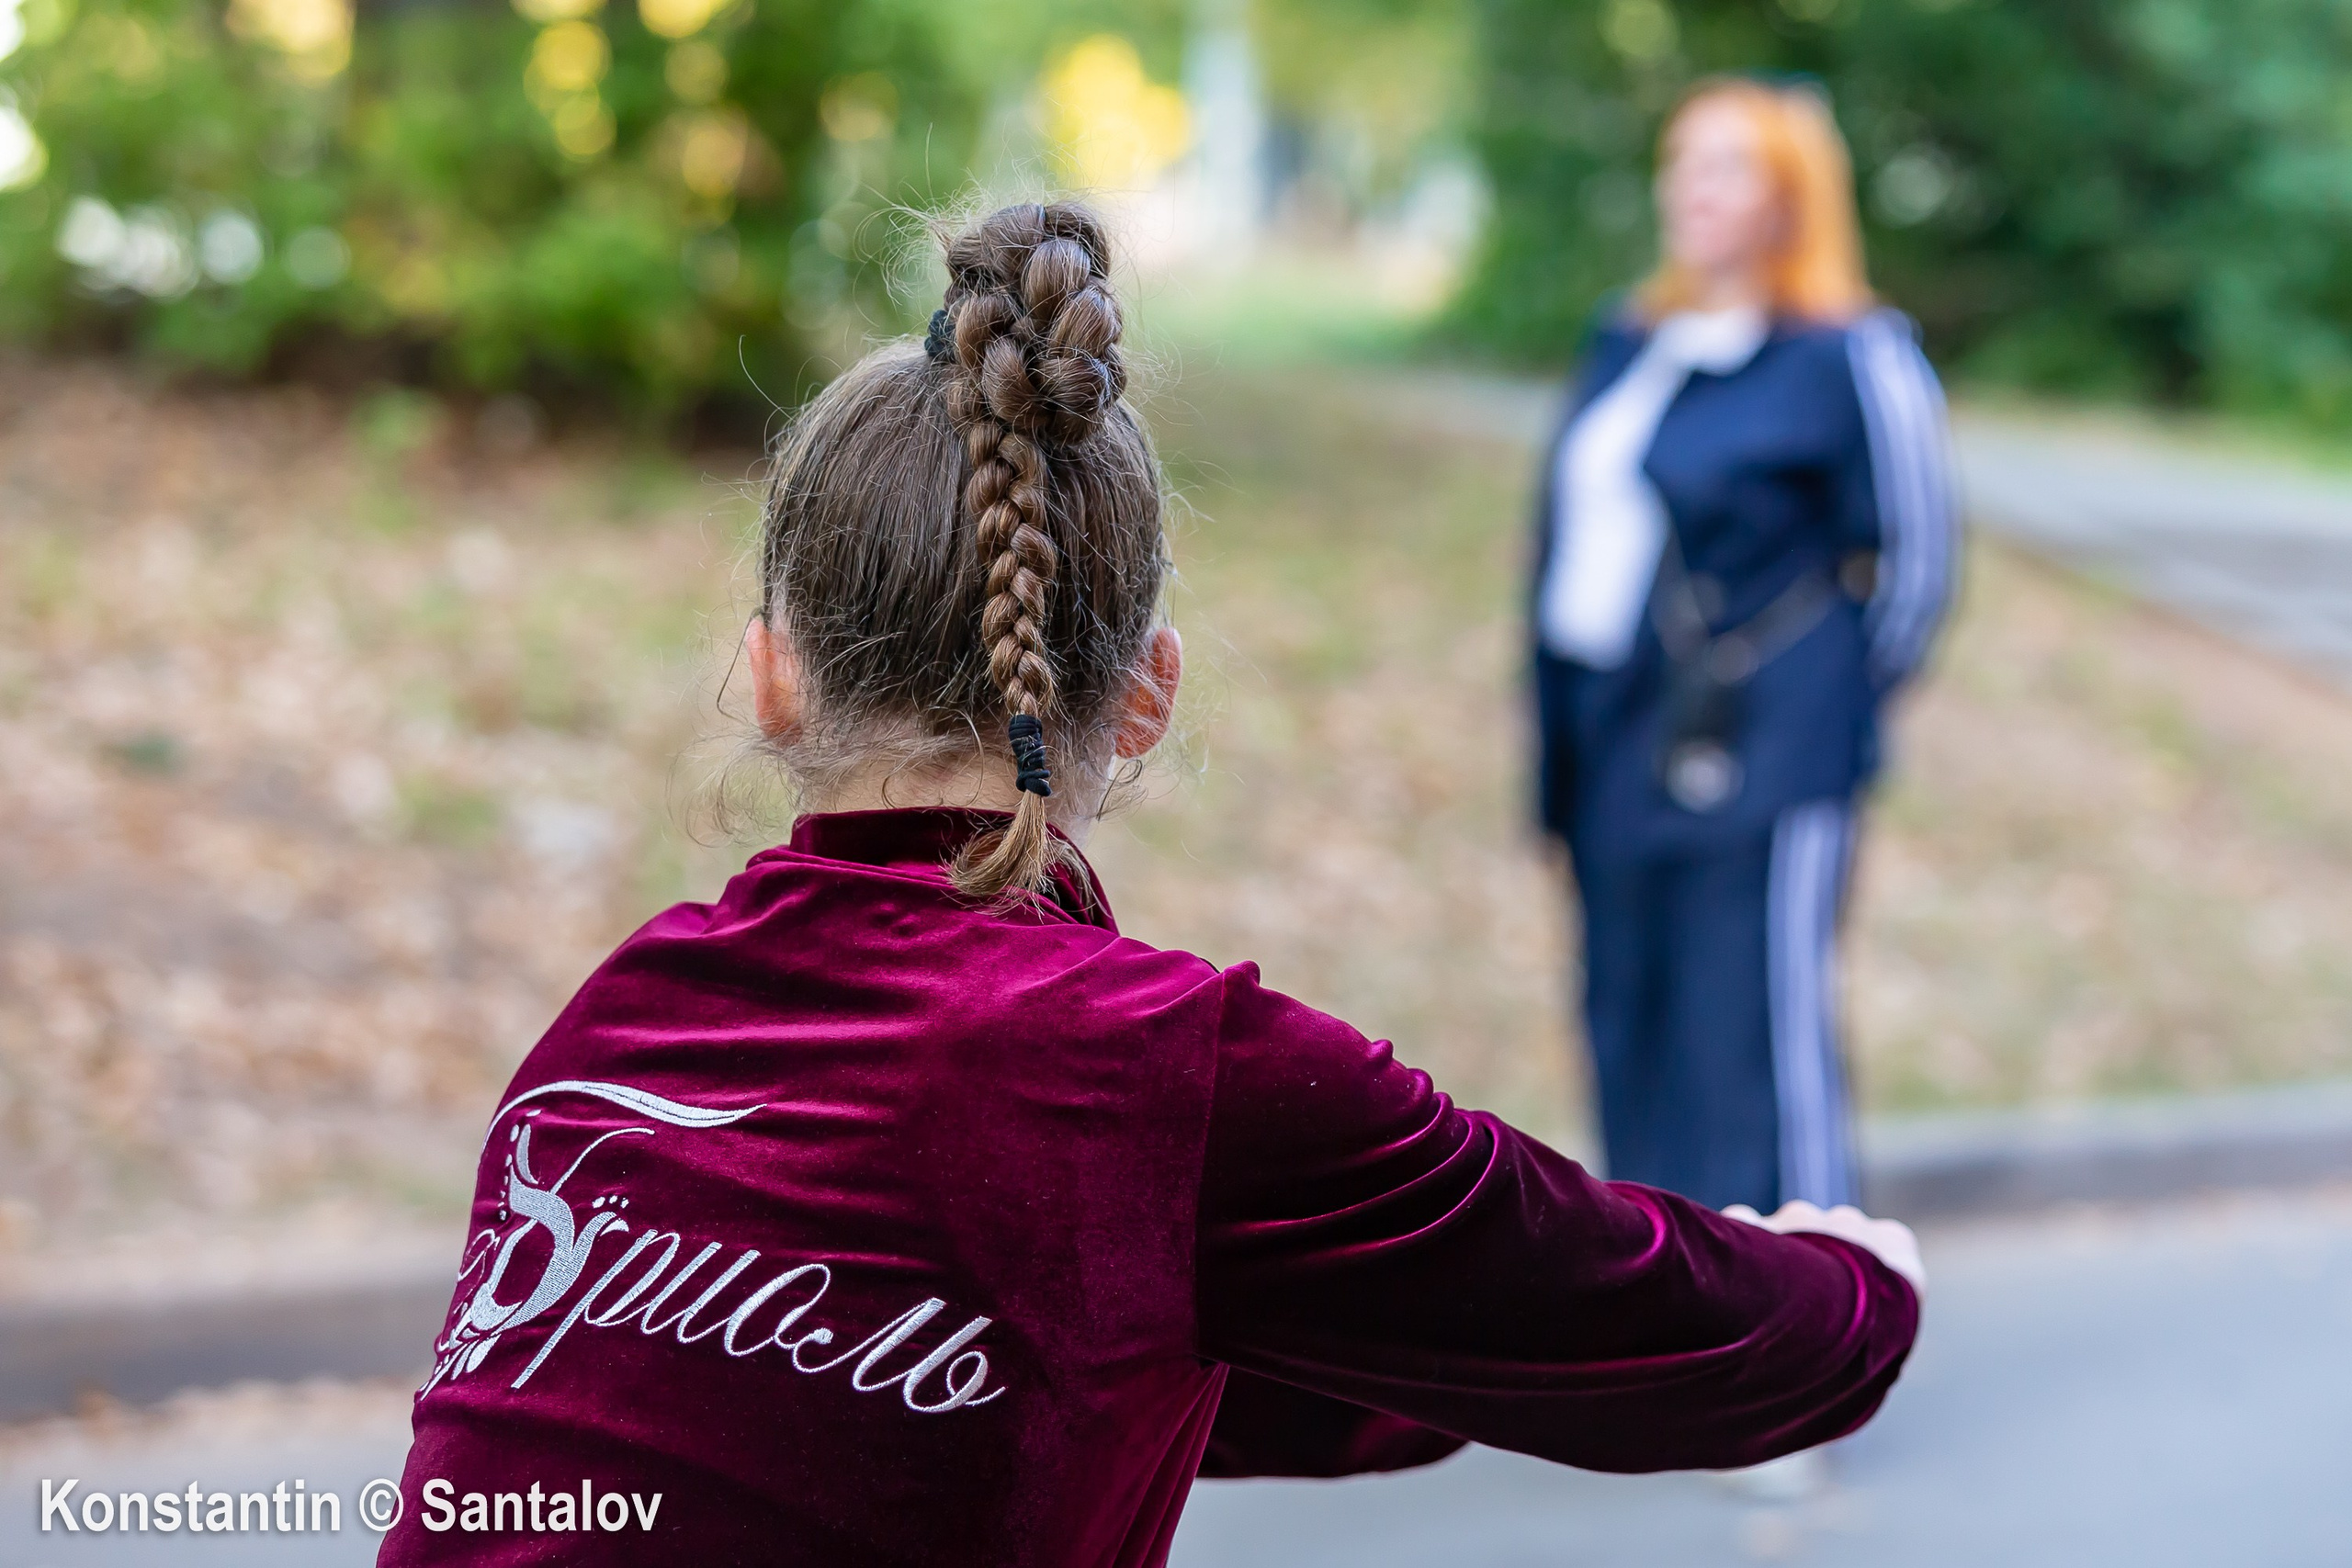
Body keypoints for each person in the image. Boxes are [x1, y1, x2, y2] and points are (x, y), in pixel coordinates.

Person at [379, 201, 1921, 1568]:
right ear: (1146, 693)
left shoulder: (628, 1014)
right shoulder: (1159, 1072)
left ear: (773, 680)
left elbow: (1062, 1346)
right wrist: (1861, 1283)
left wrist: (1432, 1364)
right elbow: (1649, 1320)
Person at [1531, 79, 1959, 1220]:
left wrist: (1814, 702)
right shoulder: (1629, 337)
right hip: (1614, 738)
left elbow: (1914, 567)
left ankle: (1819, 1323)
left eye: (1725, 165)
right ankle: (1675, 1332)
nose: (1691, 187)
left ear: (1789, 195)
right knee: (1632, 1026)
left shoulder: (1845, 354)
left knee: (1752, 1042)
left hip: (1763, 749)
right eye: (1682, 162)